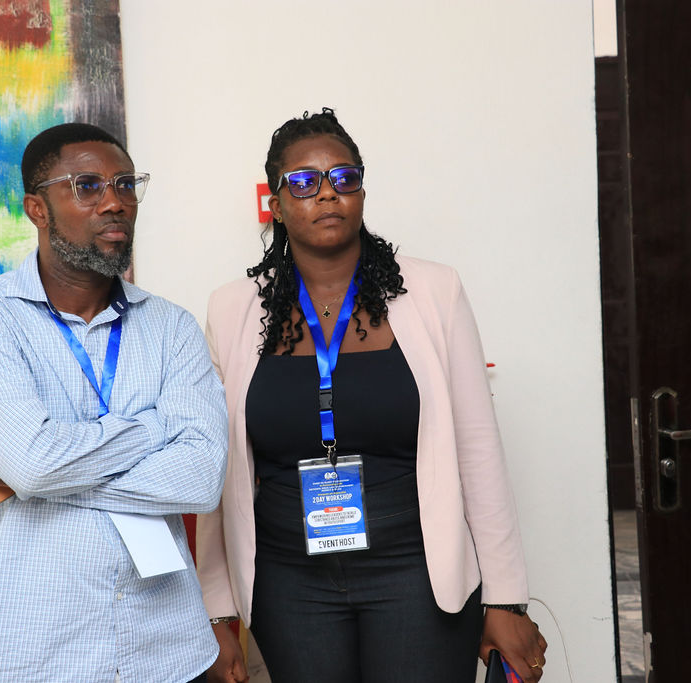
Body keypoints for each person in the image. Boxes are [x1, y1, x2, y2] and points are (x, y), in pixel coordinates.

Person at [195, 109, 548, 683]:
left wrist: (506, 599)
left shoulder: (433, 291)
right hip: (288, 580)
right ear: (276, 204)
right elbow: (217, 469)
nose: (326, 193)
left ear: (361, 191)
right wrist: (217, 611)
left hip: (416, 570)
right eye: (303, 182)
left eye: (344, 177)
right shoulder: (232, 308)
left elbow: (479, 448)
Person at [0, 122, 228, 683]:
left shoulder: (173, 327)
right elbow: (35, 465)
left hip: (168, 648)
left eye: (125, 184)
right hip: (39, 649)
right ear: (36, 209)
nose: (114, 202)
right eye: (87, 186)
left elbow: (200, 480)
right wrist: (154, 429)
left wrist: (26, 477)